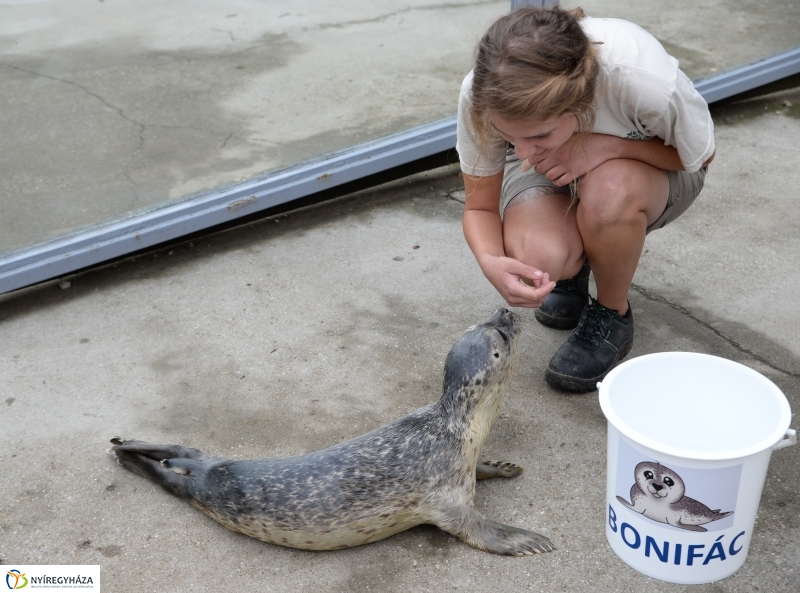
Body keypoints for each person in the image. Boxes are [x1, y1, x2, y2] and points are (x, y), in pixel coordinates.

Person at [456, 7, 715, 393]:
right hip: (563, 168)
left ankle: (612, 314)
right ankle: (574, 269)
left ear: (579, 107)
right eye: (509, 136)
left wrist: (605, 147)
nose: (523, 152)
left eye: (539, 135)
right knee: (537, 258)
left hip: (650, 169)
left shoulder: (642, 80)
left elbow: (699, 156)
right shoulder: (482, 90)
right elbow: (479, 206)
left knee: (608, 192)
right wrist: (490, 260)